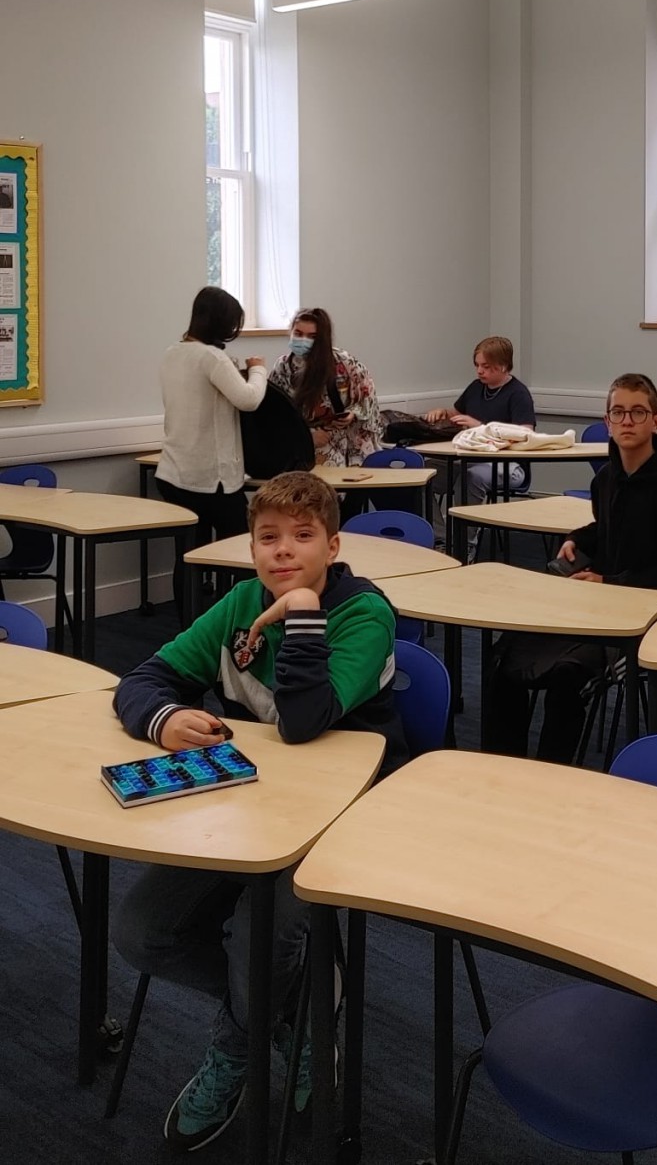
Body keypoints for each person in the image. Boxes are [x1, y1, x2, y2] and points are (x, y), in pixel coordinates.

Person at [111, 470, 406, 1152]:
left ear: (333, 546)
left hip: (345, 810)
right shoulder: (241, 602)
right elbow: (145, 677)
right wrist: (164, 717)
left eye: (302, 536)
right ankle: (297, 1012)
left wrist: (302, 612)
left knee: (260, 935)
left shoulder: (365, 613)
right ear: (250, 549)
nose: (283, 550)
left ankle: (237, 1043)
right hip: (251, 799)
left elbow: (302, 721)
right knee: (140, 932)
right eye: (268, 538)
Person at [488, 372, 657, 764]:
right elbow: (608, 530)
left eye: (638, 412)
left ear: (656, 421)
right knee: (505, 656)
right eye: (618, 412)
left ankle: (551, 775)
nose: (627, 421)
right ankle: (502, 768)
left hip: (643, 621)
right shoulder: (606, 479)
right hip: (596, 605)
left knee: (566, 675)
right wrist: (579, 539)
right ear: (607, 421)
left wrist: (610, 582)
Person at [156, 288, 268, 596]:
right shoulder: (212, 358)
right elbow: (248, 399)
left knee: (190, 556)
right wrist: (258, 369)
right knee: (243, 550)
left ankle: (190, 620)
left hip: (174, 472)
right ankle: (239, 615)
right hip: (211, 479)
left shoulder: (172, 353)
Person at [426, 335, 536, 506]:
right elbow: (457, 415)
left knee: (471, 477)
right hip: (469, 459)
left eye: (486, 366)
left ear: (503, 365)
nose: (479, 371)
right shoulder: (475, 387)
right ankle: (436, 525)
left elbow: (526, 435)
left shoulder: (518, 394)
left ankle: (463, 524)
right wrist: (443, 413)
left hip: (508, 465)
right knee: (423, 473)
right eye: (477, 365)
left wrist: (480, 427)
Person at [269, 307, 381, 468]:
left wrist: (352, 414)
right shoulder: (282, 367)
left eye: (312, 337)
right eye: (298, 334)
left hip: (346, 439)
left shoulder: (343, 362)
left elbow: (367, 393)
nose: (303, 340)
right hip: (305, 440)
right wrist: (308, 436)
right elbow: (276, 412)